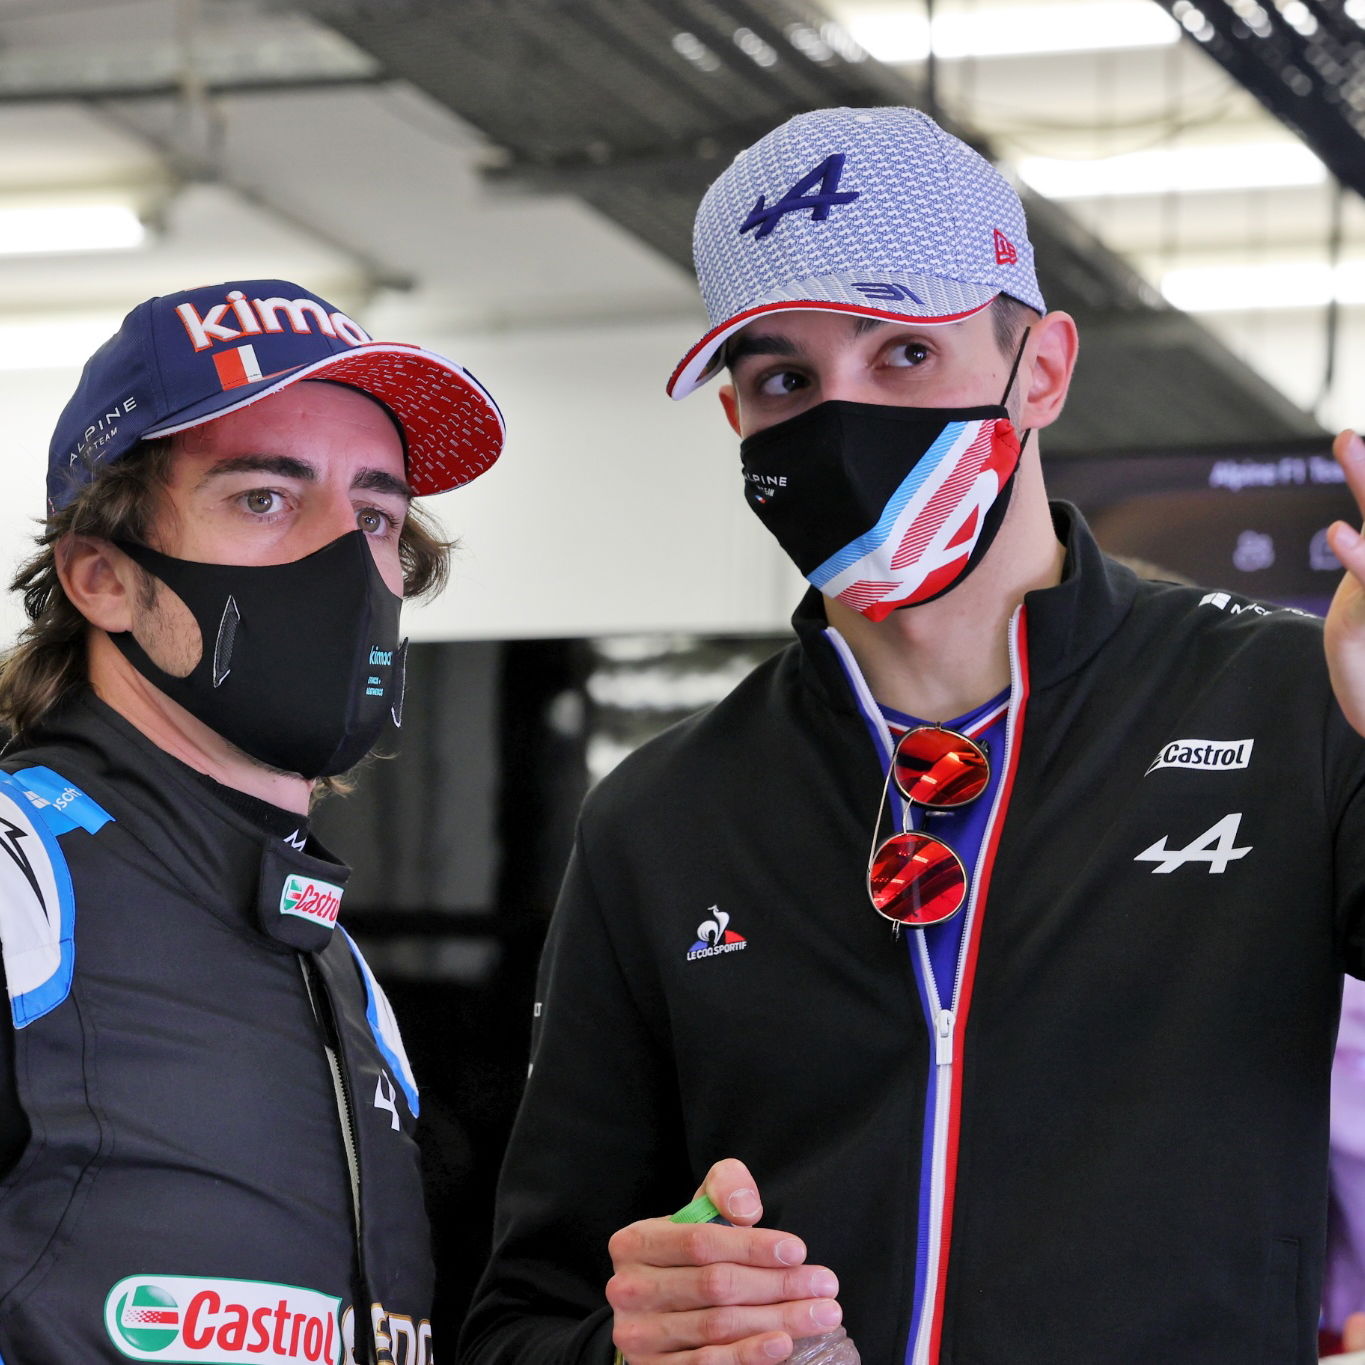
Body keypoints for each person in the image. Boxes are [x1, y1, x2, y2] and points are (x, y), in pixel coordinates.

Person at [460, 106, 1365, 1365]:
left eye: (901, 355)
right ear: (738, 422)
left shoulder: (1292, 705)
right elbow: (523, 1322)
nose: (841, 421)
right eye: (785, 380)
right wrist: (643, 1352)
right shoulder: (663, 812)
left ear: (1041, 368)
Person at [0, 279, 503, 1364]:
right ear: (103, 577)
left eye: (375, 514)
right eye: (265, 498)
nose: (345, 557)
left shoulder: (337, 961)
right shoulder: (18, 878)